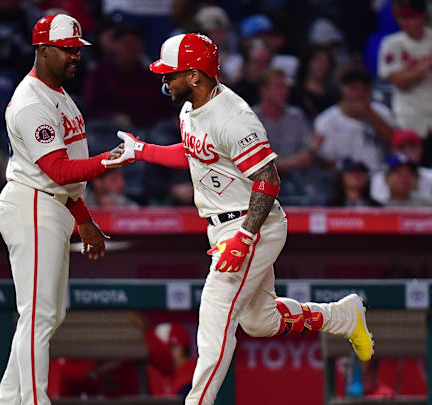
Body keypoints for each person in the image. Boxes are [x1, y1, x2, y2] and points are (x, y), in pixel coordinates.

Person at [102, 33, 373, 405]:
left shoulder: (235, 117)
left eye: (172, 74)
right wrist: (143, 151)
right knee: (259, 322)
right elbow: (197, 153)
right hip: (224, 224)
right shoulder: (190, 108)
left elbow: (269, 180)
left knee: (215, 315)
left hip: (251, 223)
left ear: (195, 76)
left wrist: (244, 237)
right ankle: (341, 317)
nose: (164, 80)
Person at [0, 14, 122, 405]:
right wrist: (112, 160)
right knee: (39, 316)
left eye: (77, 50)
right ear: (42, 49)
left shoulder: (58, 95)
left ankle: (6, 399)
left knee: (48, 316)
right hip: (32, 203)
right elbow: (59, 170)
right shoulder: (32, 102)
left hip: (51, 204)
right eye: (66, 50)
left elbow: (65, 181)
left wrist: (84, 219)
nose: (74, 57)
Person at [378, 0, 432, 167]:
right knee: (411, 173)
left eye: (411, 17)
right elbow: (400, 82)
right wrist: (430, 63)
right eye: (402, 18)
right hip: (409, 122)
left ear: (423, 17)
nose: (405, 22)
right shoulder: (391, 43)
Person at [314, 65, 395, 172]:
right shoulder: (326, 121)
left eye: (365, 89)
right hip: (344, 179)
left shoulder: (382, 112)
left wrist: (371, 114)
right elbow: (324, 162)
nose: (359, 94)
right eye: (353, 88)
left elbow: (396, 143)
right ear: (342, 89)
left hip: (380, 176)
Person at [252, 68, 315, 175]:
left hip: (298, 178)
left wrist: (311, 152)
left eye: (285, 86)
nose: (284, 91)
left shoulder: (296, 116)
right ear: (264, 91)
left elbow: (308, 154)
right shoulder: (250, 120)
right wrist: (289, 163)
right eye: (278, 86)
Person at [371, 128, 432, 204]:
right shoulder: (378, 178)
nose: (407, 152)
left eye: (412, 146)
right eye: (401, 147)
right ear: (386, 178)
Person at [289, 45, 340, 121]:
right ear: (307, 63)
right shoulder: (294, 93)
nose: (322, 65)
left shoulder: (335, 94)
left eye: (326, 61)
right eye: (317, 60)